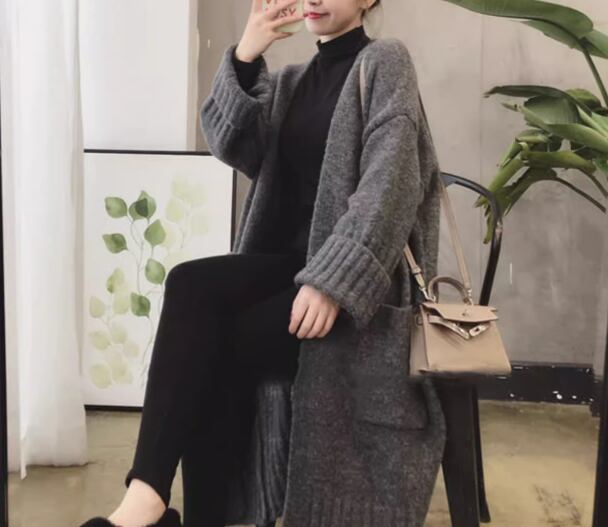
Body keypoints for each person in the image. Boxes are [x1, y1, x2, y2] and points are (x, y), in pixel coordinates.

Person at [78, 1, 403, 526]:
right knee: (189, 284)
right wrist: (247, 56)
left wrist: (332, 281)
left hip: (356, 291)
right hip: (288, 271)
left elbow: (389, 189)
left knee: (214, 343)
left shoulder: (385, 63)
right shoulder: (293, 81)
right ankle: (148, 494)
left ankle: (171, 511)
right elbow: (231, 146)